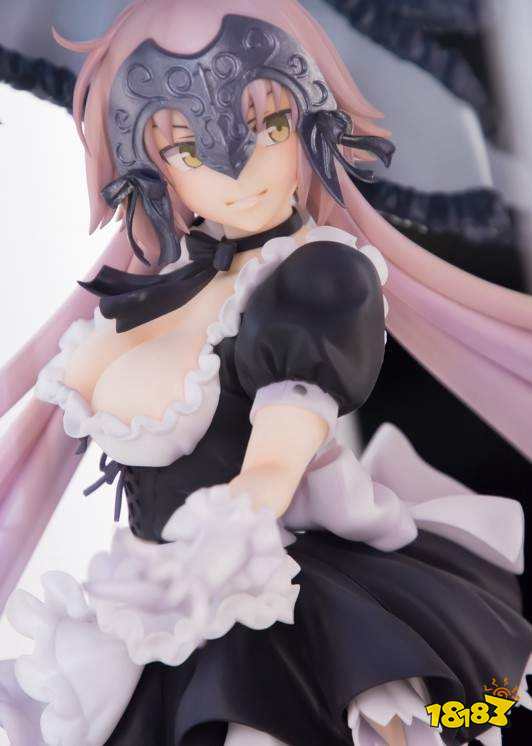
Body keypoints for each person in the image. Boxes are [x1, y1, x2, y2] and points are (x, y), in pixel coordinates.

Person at [0, 1, 531, 744]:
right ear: (151, 164)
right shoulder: (148, 296)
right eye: (187, 148)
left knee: (389, 720)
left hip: (274, 592)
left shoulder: (320, 276)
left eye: (270, 126)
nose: (239, 171)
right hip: (155, 612)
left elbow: (278, 455)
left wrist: (233, 526)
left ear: (307, 121)